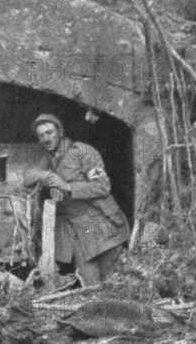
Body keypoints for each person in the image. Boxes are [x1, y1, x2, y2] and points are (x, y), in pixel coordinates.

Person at [23, 114, 129, 285]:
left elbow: (103, 186)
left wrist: (67, 187)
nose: (46, 138)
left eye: (49, 132)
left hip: (101, 225)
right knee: (90, 285)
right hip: (78, 233)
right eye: (41, 135)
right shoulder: (48, 160)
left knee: (114, 282)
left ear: (60, 132)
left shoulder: (82, 152)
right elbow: (27, 179)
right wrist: (45, 175)